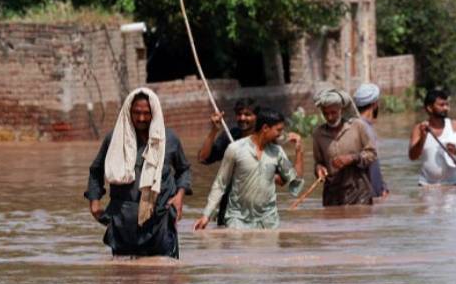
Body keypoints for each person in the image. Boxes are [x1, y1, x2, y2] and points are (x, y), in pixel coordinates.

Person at [84, 88, 192, 258]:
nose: (141, 118)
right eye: (136, 112)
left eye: (146, 113)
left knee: (165, 278)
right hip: (122, 223)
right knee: (124, 278)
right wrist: (94, 204)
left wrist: (179, 196)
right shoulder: (114, 139)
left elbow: (184, 170)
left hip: (160, 221)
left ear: (154, 113)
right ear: (128, 111)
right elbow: (96, 171)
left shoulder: (168, 139)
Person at [194, 108, 304, 230]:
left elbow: (295, 179)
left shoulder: (277, 152)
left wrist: (299, 152)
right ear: (265, 128)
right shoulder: (235, 149)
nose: (281, 134)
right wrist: (206, 215)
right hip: (237, 220)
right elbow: (221, 183)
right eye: (278, 130)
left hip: (268, 220)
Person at [196, 98, 259, 226]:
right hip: (229, 210)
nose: (242, 118)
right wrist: (214, 130)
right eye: (239, 114)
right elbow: (203, 158)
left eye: (247, 115)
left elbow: (280, 178)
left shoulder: (264, 139)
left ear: (256, 117)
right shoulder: (231, 136)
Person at [312, 88, 377, 206]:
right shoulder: (318, 134)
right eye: (325, 114)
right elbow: (318, 162)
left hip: (359, 193)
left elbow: (372, 155)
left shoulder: (357, 127)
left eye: (333, 112)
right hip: (332, 195)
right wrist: (319, 169)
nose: (330, 117)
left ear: (341, 110)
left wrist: (352, 158)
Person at [408, 89, 456, 186]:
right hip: (427, 186)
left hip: (454, 185)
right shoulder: (419, 129)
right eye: (441, 105)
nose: (446, 108)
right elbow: (412, 156)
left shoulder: (455, 126)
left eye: (447, 104)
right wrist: (423, 138)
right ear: (429, 108)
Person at [354, 83, 388, 198]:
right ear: (375, 104)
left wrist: (383, 186)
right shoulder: (365, 128)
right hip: (367, 194)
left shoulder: (356, 124)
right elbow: (371, 163)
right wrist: (380, 189)